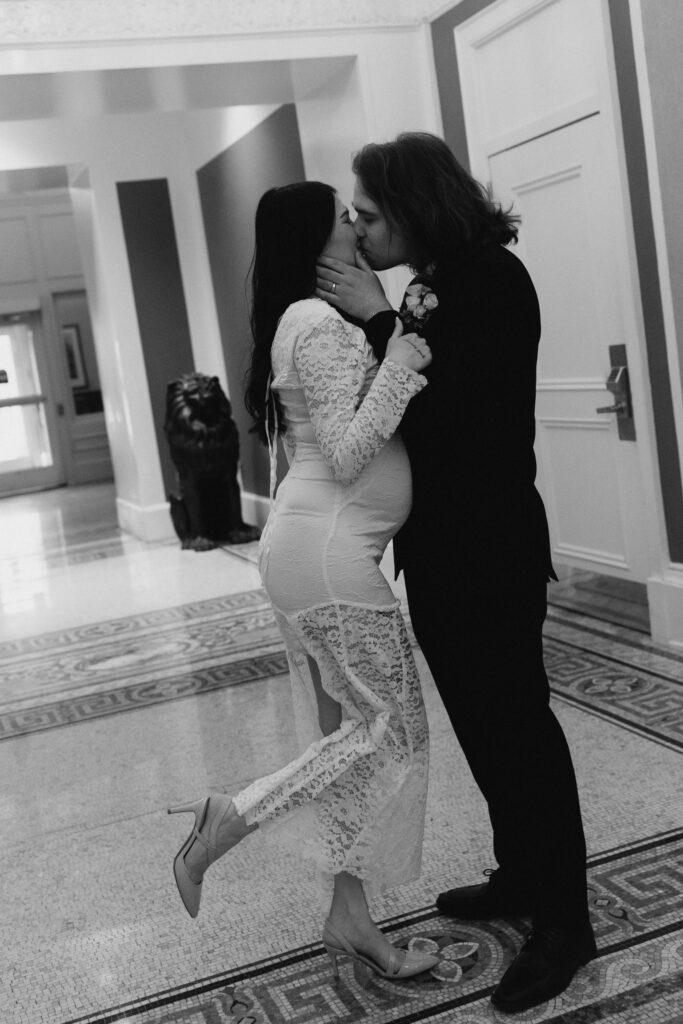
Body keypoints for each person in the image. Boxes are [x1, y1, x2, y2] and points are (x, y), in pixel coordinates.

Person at [315, 132, 596, 1014]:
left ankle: (565, 922)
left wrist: (375, 317)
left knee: (519, 730)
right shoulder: (431, 283)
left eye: (366, 214)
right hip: (439, 548)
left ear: (412, 205)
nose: (357, 232)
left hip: (492, 547)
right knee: (481, 726)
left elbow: (445, 408)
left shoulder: (492, 280)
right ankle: (521, 873)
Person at [168, 181, 439, 982]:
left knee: (351, 740)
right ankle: (230, 817)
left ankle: (350, 918)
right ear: (314, 239)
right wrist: (399, 358)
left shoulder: (310, 318)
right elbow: (353, 450)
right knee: (392, 734)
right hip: (328, 560)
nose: (355, 224)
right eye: (342, 217)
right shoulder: (317, 324)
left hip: (314, 550)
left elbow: (314, 449)